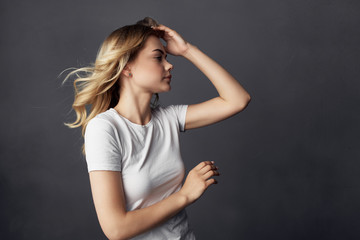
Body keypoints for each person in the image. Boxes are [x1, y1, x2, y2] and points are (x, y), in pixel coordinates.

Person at [63, 17, 251, 240]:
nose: (169, 65)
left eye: (167, 58)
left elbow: (238, 99)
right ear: (127, 67)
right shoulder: (104, 129)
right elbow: (115, 229)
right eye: (158, 57)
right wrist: (186, 195)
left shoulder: (168, 118)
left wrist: (188, 50)